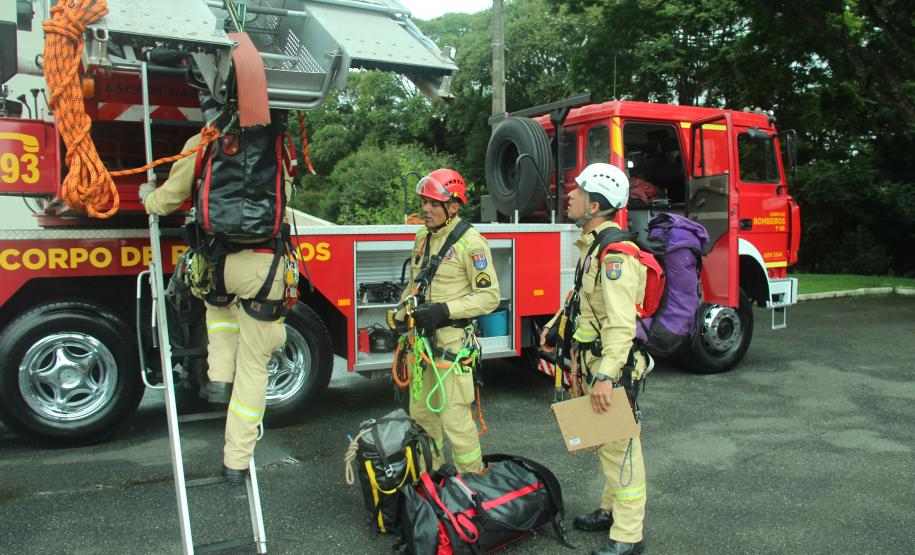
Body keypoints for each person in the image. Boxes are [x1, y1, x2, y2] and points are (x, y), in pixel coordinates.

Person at [140, 128, 291, 486]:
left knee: (219, 312)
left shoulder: (203, 140)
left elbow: (169, 199)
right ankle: (236, 463)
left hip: (216, 264)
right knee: (254, 365)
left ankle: (220, 378)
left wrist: (148, 196)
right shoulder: (277, 143)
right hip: (264, 266)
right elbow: (285, 197)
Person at [541, 163, 649, 555]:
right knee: (607, 442)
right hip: (593, 363)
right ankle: (610, 510)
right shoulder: (594, 248)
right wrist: (554, 328)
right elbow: (583, 302)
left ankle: (628, 536)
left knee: (622, 447)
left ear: (597, 204)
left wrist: (606, 378)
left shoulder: (616, 255)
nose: (570, 195)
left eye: (579, 191)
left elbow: (623, 326)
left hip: (611, 368)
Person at [390, 168, 500, 474]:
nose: (425, 208)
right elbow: (415, 283)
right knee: (422, 415)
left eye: (433, 203)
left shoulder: (472, 244)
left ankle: (474, 484)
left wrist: (445, 310)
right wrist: (399, 316)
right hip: (421, 346)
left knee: (455, 419)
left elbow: (490, 296)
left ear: (453, 206)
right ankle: (430, 478)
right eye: (424, 201)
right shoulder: (423, 238)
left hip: (451, 348)